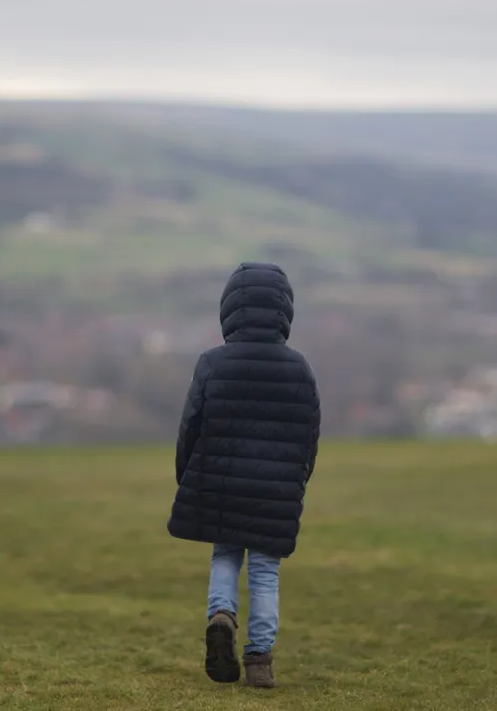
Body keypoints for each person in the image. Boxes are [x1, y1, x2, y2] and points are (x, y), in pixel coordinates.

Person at [167, 262, 321, 689]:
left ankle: (221, 615)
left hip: (220, 482)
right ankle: (259, 661)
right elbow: (310, 434)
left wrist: (188, 476)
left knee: (225, 555)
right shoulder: (299, 367)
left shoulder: (212, 362)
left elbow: (190, 425)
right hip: (276, 488)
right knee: (266, 571)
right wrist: (298, 480)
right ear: (284, 310)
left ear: (230, 307)